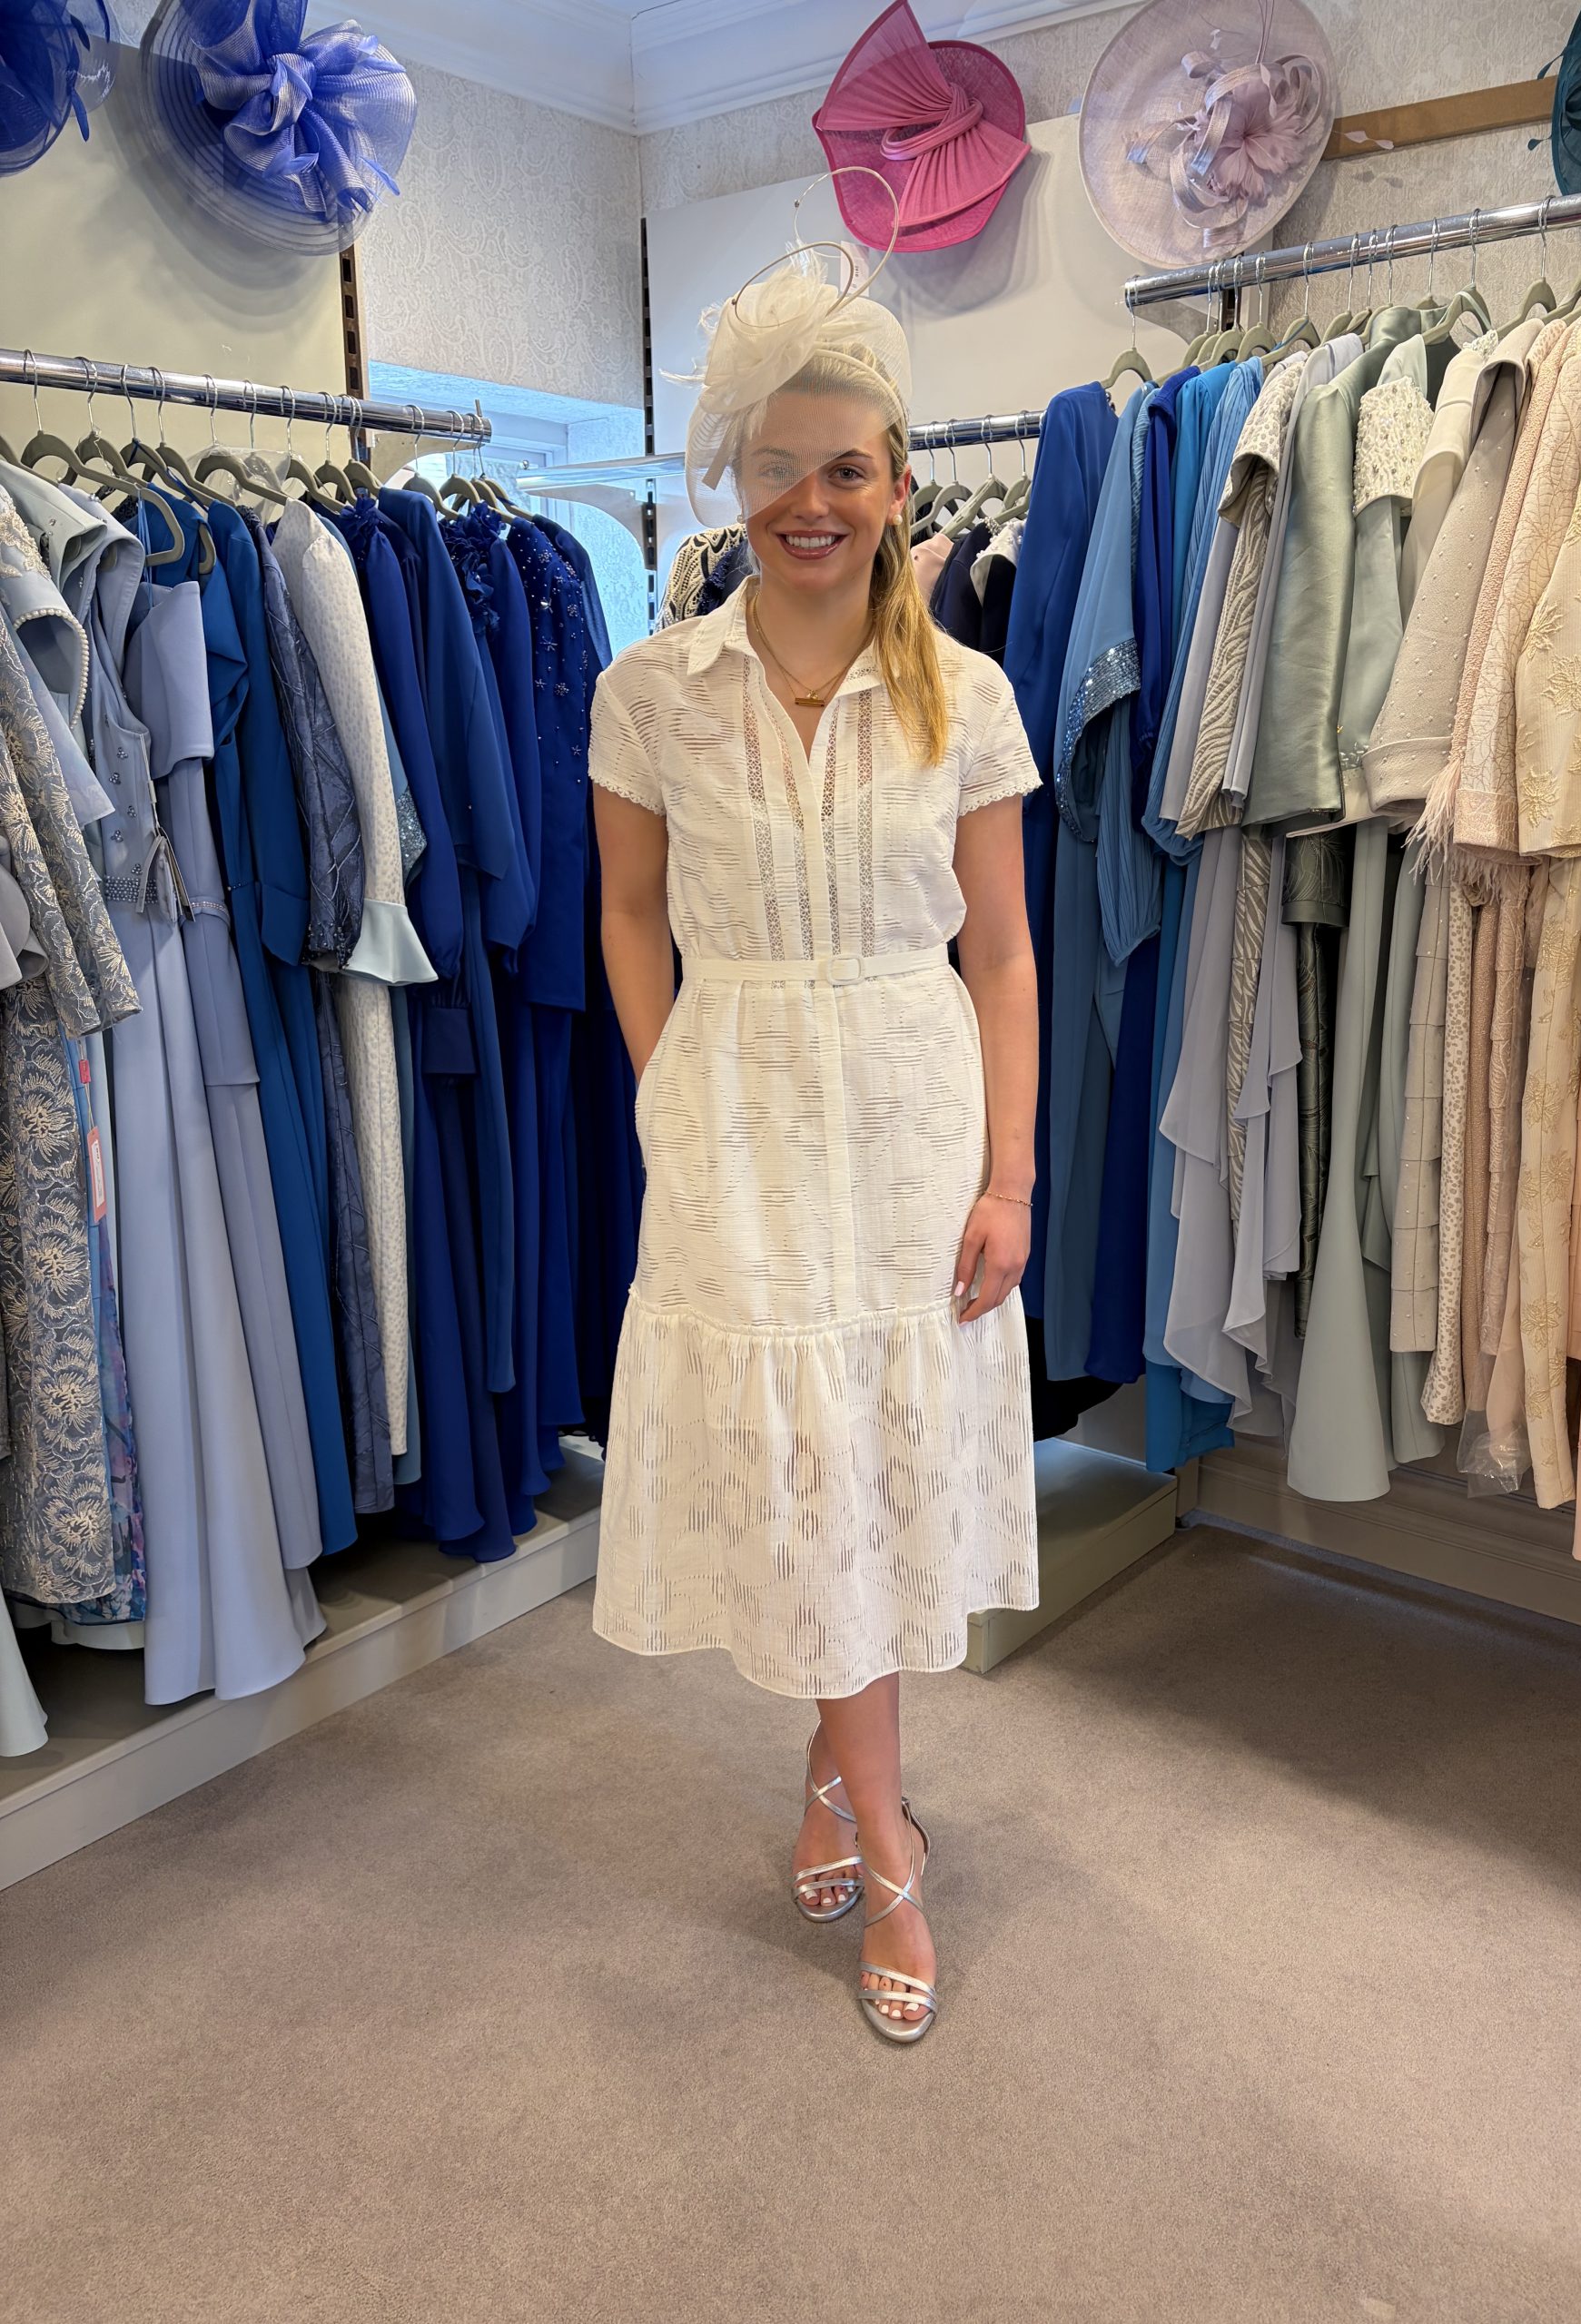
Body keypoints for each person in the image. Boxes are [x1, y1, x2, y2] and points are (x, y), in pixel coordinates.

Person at [588, 242, 1042, 2044]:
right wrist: (667, 1092)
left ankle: (851, 1797)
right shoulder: (651, 690)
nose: (812, 500)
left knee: (873, 1477)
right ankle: (884, 1825)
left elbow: (1002, 953)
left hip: (914, 1123)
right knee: (804, 1478)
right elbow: (630, 915)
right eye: (778, 465)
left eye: (846, 466)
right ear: (735, 478)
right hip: (738, 1121)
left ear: (899, 483)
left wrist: (1010, 1176)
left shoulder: (969, 697)